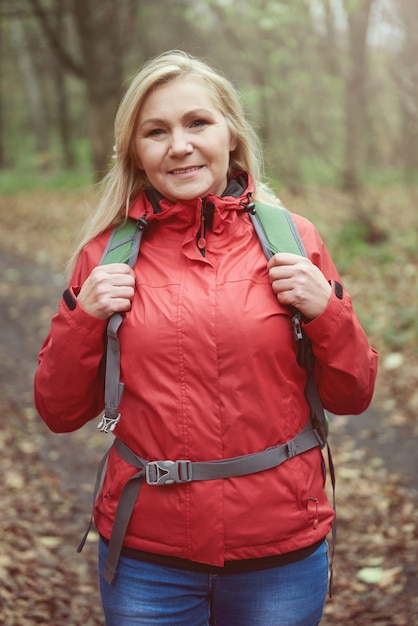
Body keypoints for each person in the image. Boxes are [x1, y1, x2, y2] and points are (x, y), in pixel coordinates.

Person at [34, 50, 378, 626]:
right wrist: (82, 317)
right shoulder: (106, 257)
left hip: (281, 549)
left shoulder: (292, 239)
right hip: (149, 557)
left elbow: (354, 394)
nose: (179, 145)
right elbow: (60, 410)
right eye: (156, 131)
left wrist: (328, 312)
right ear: (137, 155)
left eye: (198, 123)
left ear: (232, 137)